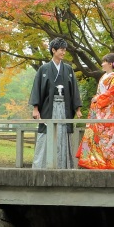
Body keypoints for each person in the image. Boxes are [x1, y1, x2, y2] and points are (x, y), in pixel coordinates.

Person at [29, 37, 82, 168]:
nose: (63, 53)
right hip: (49, 108)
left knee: (64, 133)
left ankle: (63, 166)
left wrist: (77, 109)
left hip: (65, 108)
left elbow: (74, 89)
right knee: (47, 133)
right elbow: (37, 88)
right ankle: (42, 166)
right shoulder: (44, 69)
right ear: (53, 50)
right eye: (61, 50)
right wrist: (35, 108)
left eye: (65, 50)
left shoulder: (68, 69)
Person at [76, 53, 114, 170]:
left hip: (107, 113)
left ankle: (106, 164)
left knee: (107, 138)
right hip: (99, 111)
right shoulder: (105, 76)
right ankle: (97, 163)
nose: (102, 64)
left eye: (104, 62)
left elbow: (111, 93)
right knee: (95, 137)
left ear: (110, 64)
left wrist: (98, 99)